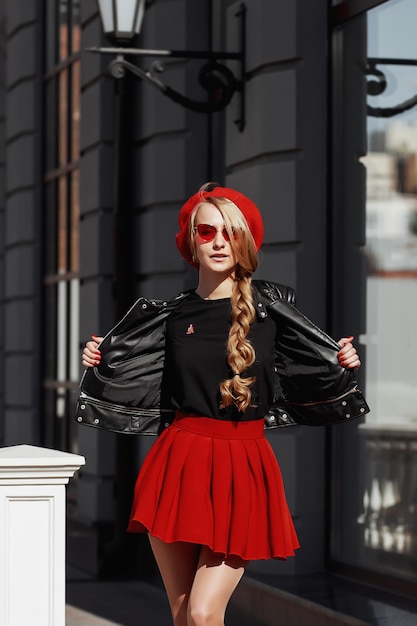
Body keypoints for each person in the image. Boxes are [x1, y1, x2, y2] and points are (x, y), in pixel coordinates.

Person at [81, 182, 361, 626]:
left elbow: (316, 365)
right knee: (181, 614)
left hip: (242, 464)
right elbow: (129, 372)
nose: (218, 242)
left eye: (230, 233)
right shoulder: (170, 316)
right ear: (191, 241)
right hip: (178, 461)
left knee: (204, 611)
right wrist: (97, 358)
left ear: (245, 240)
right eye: (207, 232)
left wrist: (343, 359)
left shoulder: (271, 311)